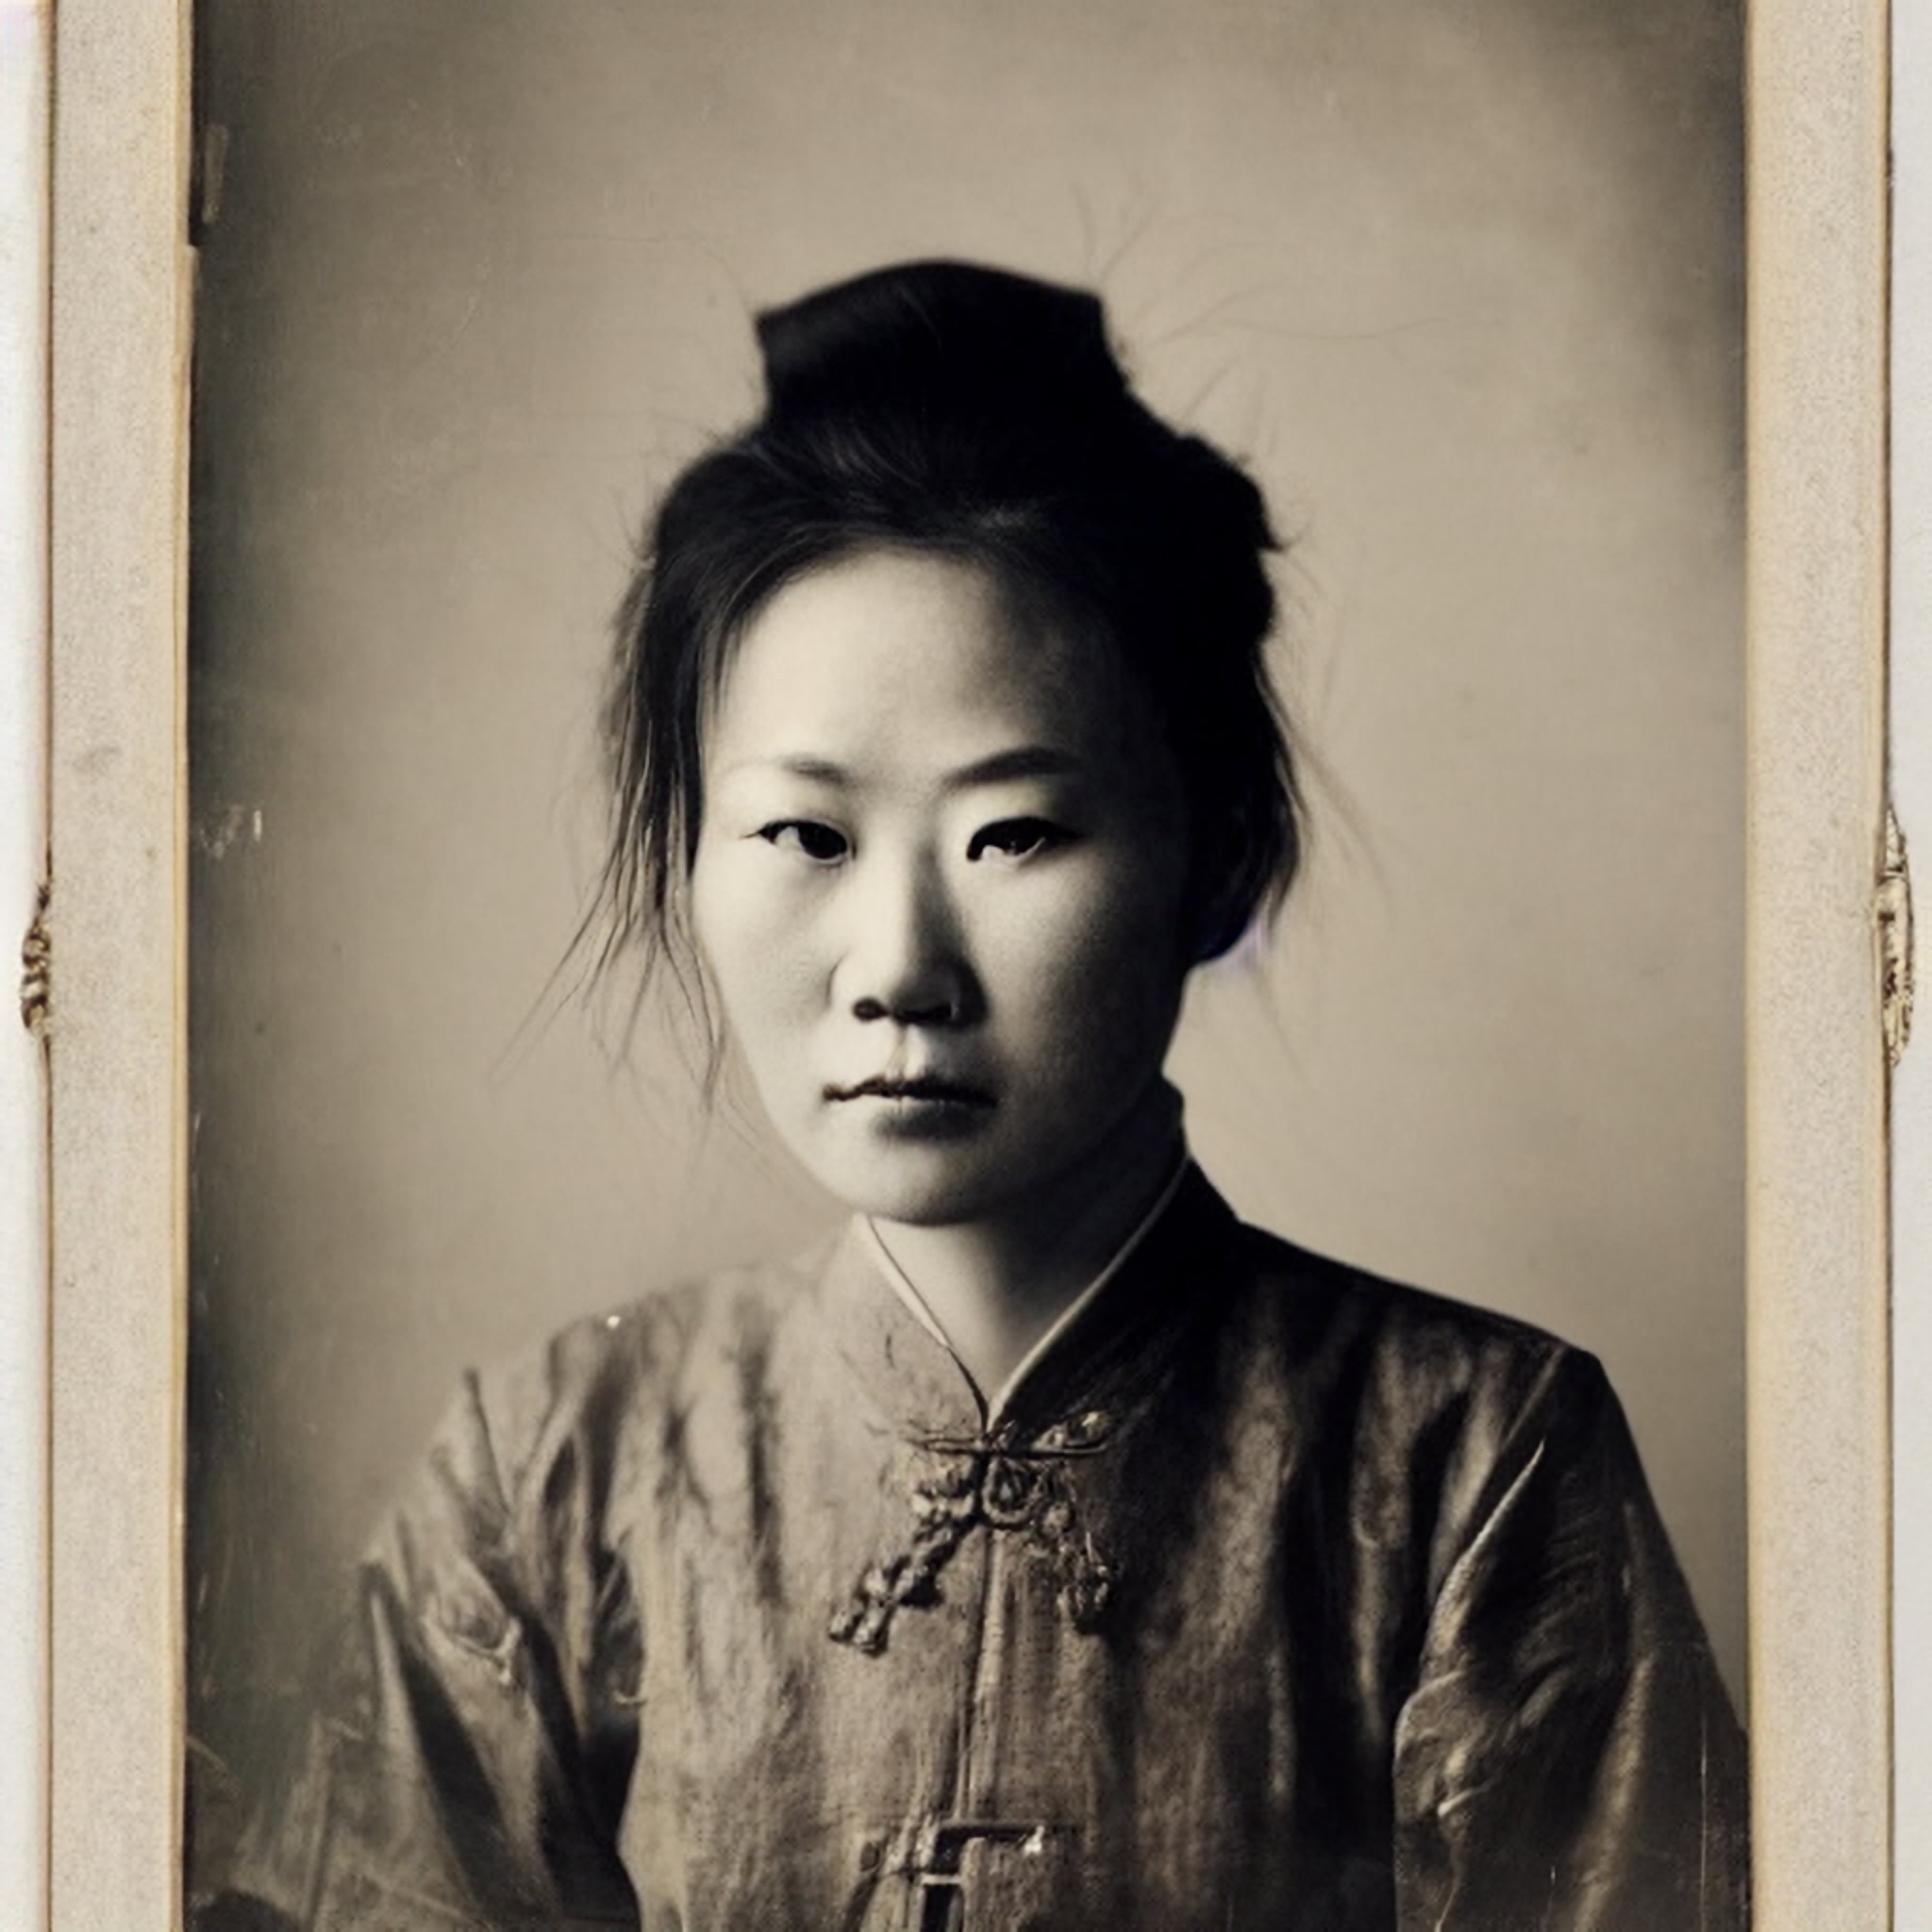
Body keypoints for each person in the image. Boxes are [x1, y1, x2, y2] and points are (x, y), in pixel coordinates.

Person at [202, 260, 1749, 1931]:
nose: (898, 966)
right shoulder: (546, 1480)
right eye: (806, 835)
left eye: (1013, 833)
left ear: (1213, 858)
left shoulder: (1469, 1463)